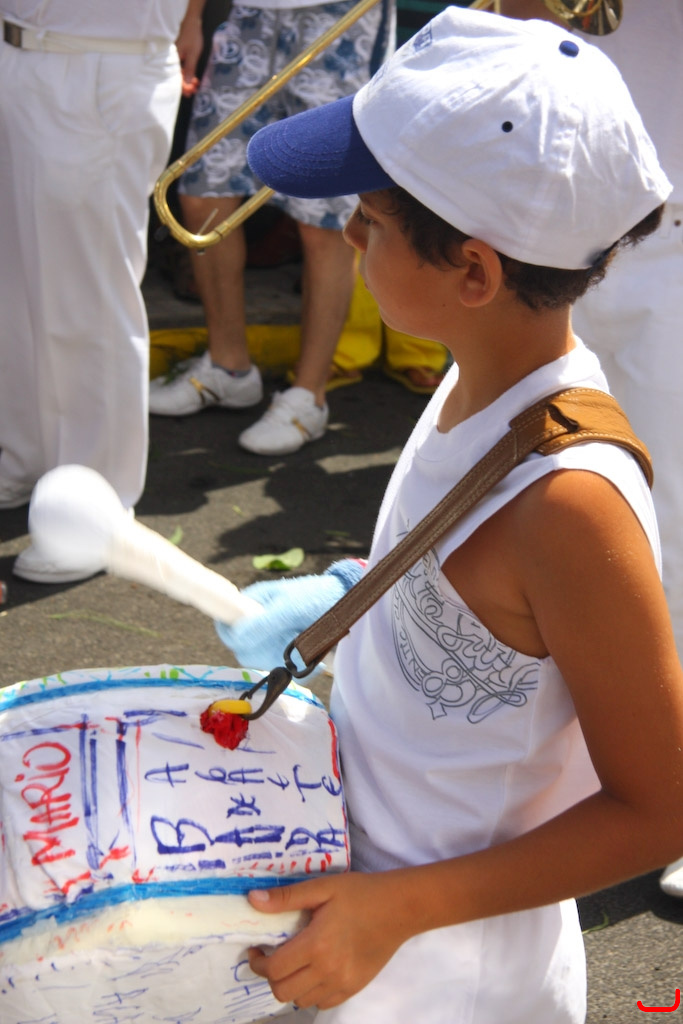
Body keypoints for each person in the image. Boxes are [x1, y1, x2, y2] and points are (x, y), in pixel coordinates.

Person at [211, 9, 683, 1022]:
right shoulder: (472, 380)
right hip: (361, 942)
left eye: (371, 223)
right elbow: (469, 596)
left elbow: (659, 808)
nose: (348, 234)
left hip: (456, 983)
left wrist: (396, 909)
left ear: (472, 271)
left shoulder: (569, 502)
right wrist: (358, 597)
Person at [500, 0, 683, 899]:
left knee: (674, 515)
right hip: (551, 223)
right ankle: (589, 775)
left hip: (670, 224)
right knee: (550, 508)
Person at [0, 0, 206, 583]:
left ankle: (95, 512)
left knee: (87, 298)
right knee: (16, 286)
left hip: (101, 61)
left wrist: (191, 16)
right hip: (20, 48)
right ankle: (26, 459)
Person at [148, 0, 395, 456]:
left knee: (325, 218)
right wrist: (192, 17)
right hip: (251, 13)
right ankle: (229, 369)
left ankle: (308, 396)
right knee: (203, 188)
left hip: (340, 14)